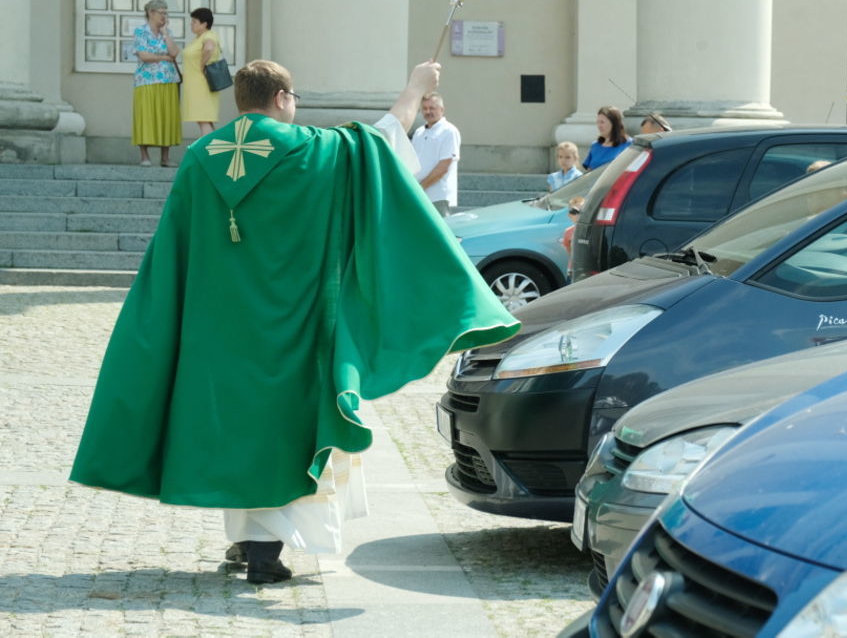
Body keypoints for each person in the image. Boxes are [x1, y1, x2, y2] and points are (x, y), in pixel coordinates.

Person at [70, 59, 519, 585]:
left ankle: (244, 539)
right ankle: (264, 554)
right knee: (283, 431)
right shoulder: (306, 151)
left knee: (236, 428)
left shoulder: (199, 157)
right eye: (295, 99)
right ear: (282, 98)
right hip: (294, 323)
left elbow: (173, 251)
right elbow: (374, 146)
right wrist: (416, 88)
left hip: (218, 328)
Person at [132, 0, 182, 167]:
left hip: (168, 80)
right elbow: (144, 56)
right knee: (146, 116)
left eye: (166, 13)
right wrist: (163, 57)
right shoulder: (140, 32)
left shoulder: (167, 33)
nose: (165, 16)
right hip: (146, 81)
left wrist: (166, 34)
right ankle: (144, 156)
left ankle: (165, 158)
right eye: (162, 12)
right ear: (151, 13)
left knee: (166, 117)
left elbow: (174, 53)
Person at [410, 92, 460, 216]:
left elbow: (443, 167)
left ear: (442, 109)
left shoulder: (449, 131)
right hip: (418, 195)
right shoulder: (419, 132)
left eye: (432, 108)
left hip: (437, 196)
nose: (428, 112)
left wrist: (420, 187)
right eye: (425, 108)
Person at [180, 7, 226, 137]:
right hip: (196, 85)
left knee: (203, 120)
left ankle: (209, 152)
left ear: (204, 24)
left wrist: (201, 65)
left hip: (201, 85)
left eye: (194, 22)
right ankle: (216, 150)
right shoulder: (198, 38)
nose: (191, 25)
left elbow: (209, 48)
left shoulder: (209, 35)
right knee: (204, 120)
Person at [583, 106, 632, 171]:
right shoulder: (595, 146)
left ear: (614, 123)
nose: (599, 126)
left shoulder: (629, 144)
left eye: (602, 122)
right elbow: (588, 174)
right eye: (598, 122)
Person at [561, 195, 585, 281]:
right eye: (574, 212)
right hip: (573, 270)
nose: (578, 215)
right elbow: (569, 251)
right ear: (569, 215)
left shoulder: (591, 231)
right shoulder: (568, 232)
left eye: (581, 211)